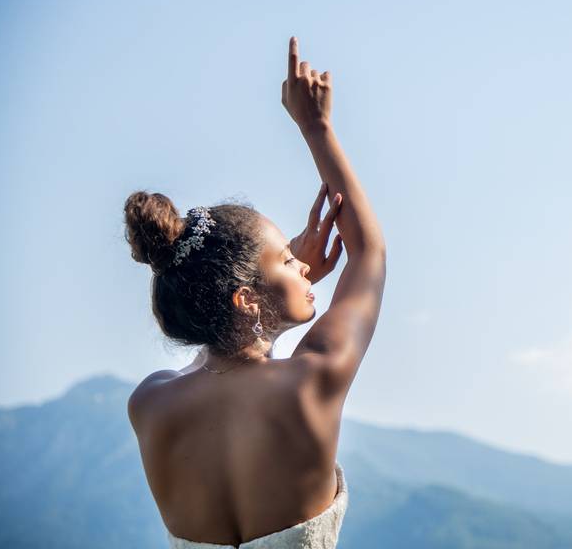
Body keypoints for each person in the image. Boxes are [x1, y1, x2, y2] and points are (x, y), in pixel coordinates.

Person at [123, 36, 386, 548]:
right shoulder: (312, 378)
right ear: (246, 300)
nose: (304, 266)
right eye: (290, 259)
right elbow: (368, 254)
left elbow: (232, 350)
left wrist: (279, 277)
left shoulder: (149, 402)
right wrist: (317, 127)